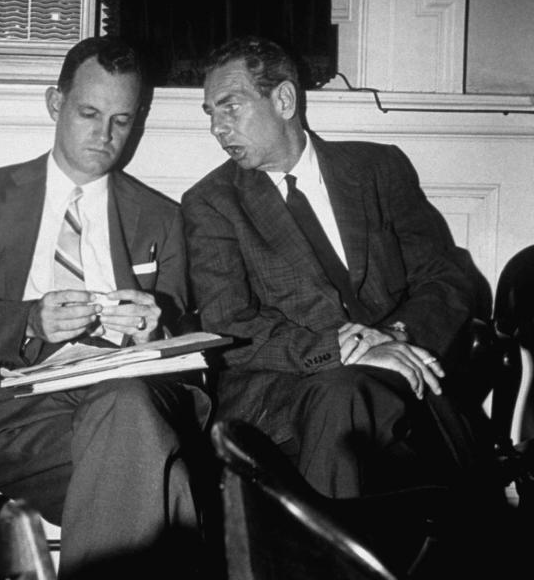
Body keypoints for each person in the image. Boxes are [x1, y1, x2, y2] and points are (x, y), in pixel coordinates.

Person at [0, 36, 210, 579]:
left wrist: (154, 332)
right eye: (89, 113)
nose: (105, 136)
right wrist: (28, 320)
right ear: (55, 104)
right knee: (160, 463)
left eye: (122, 121)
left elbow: (187, 336)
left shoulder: (161, 217)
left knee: (131, 420)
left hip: (125, 395)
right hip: (15, 405)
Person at [182, 36, 481, 502]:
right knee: (345, 394)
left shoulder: (377, 169)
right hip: (287, 391)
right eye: (211, 114)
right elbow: (228, 326)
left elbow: (447, 276)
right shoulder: (213, 203)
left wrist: (397, 338)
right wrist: (344, 349)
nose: (218, 129)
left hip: (400, 373)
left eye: (231, 108)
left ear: (283, 99)